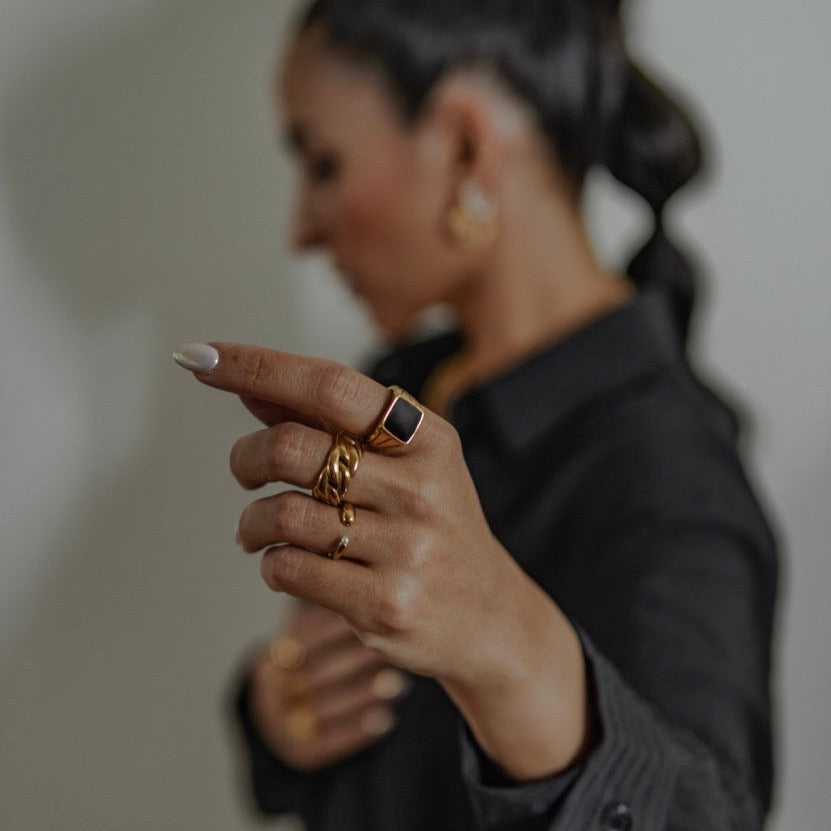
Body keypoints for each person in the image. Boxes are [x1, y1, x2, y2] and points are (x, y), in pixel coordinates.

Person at [173, 0, 777, 828]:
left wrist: (510, 649)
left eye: (323, 162)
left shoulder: (670, 475)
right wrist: (281, 712)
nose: (300, 231)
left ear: (465, 144)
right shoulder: (406, 383)